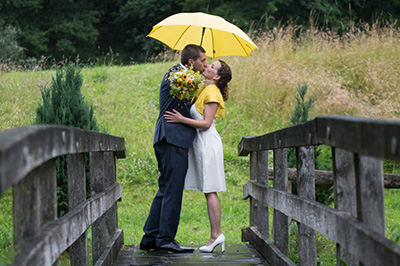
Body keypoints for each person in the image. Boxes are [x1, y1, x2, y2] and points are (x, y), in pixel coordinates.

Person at [140, 44, 207, 253]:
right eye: (202, 61)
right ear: (190, 62)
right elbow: (185, 96)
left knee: (166, 188)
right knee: (173, 191)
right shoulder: (179, 75)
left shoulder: (182, 77)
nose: (204, 65)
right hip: (172, 138)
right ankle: (166, 239)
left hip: (167, 138)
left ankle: (150, 237)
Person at [164, 60, 232, 253]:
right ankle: (215, 235)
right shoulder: (204, 90)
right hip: (201, 143)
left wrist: (180, 119)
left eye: (212, 66)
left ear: (217, 76)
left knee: (211, 189)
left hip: (208, 142)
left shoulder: (212, 93)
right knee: (208, 190)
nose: (207, 67)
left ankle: (216, 235)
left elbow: (206, 123)